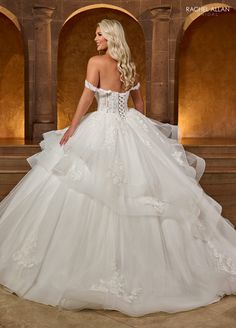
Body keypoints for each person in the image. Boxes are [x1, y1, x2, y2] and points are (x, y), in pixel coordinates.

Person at [0, 18, 236, 318]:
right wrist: (141, 132)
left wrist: (72, 129)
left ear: (110, 36)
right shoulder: (129, 65)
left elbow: (87, 98)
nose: (95, 38)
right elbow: (140, 105)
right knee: (139, 188)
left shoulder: (96, 62)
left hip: (101, 126)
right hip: (129, 126)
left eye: (99, 33)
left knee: (87, 185)